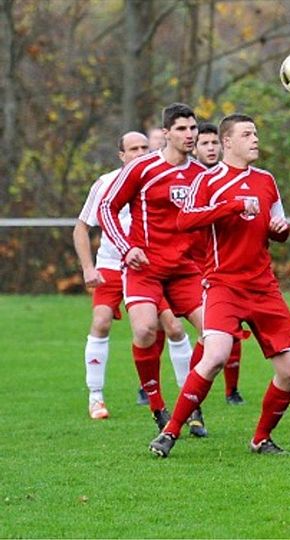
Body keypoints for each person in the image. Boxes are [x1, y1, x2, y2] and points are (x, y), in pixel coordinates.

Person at [149, 113, 290, 457]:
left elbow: (279, 226)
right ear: (227, 141)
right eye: (248, 134)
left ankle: (261, 439)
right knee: (215, 354)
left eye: (257, 133)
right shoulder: (207, 181)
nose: (255, 139)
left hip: (263, 287)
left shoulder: (266, 181)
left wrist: (281, 231)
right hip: (223, 285)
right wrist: (229, 206)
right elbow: (184, 220)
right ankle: (170, 432)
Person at [98, 103, 208, 433]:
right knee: (145, 330)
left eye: (193, 128)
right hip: (145, 267)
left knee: (215, 335)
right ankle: (158, 405)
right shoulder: (142, 169)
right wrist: (126, 246)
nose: (190, 135)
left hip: (185, 270)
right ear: (166, 133)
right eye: (182, 129)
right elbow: (108, 207)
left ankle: (191, 403)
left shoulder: (201, 175)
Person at [73, 132, 193, 419]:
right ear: (121, 155)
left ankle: (187, 401)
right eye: (133, 149)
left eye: (144, 147)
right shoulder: (106, 183)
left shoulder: (156, 176)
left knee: (172, 329)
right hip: (112, 267)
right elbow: (81, 227)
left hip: (147, 269)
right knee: (101, 322)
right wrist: (89, 268)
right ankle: (96, 396)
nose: (140, 152)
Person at [193, 121, 245, 406]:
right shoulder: (198, 180)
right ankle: (188, 401)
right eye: (205, 143)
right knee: (176, 330)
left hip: (221, 268)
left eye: (214, 143)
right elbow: (186, 222)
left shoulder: (233, 176)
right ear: (195, 148)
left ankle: (231, 390)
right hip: (192, 267)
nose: (211, 148)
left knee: (227, 333)